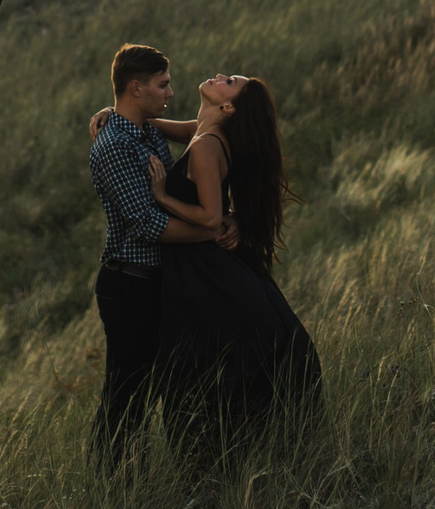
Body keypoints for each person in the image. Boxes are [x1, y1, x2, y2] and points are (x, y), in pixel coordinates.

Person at [98, 71, 321, 449]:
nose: (220, 75)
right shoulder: (205, 132)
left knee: (203, 365)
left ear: (228, 105)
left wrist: (162, 196)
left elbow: (211, 219)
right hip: (198, 268)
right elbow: (175, 127)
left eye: (230, 80)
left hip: (202, 270)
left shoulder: (206, 145)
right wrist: (119, 114)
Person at [85, 43, 219, 463]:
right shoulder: (113, 147)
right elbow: (146, 223)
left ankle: (140, 477)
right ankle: (114, 485)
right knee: (126, 393)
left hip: (155, 283)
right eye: (162, 85)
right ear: (136, 88)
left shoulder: (144, 130)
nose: (170, 93)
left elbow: (207, 126)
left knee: (160, 385)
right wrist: (211, 232)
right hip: (129, 285)